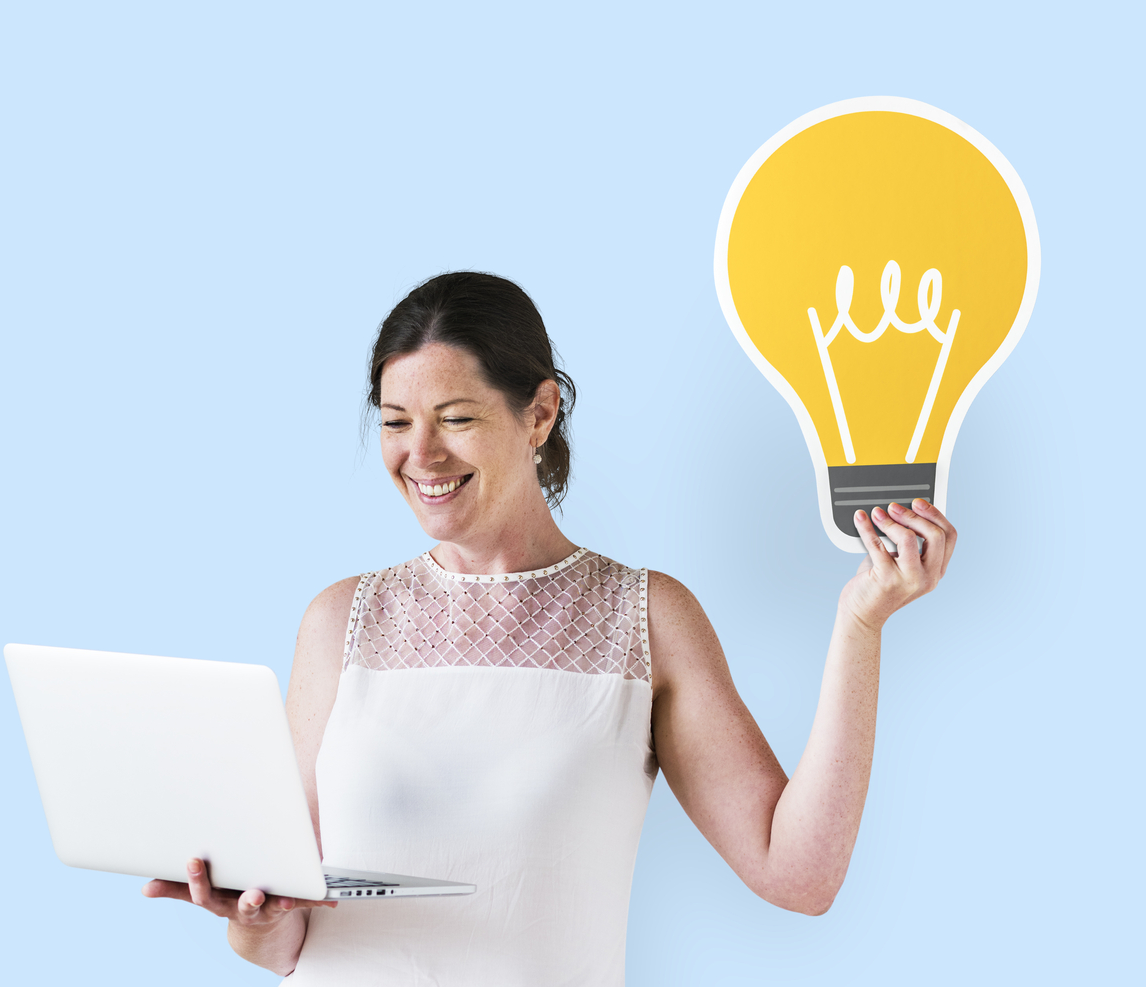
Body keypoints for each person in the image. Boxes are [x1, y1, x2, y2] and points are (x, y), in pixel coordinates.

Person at [143, 271, 956, 984]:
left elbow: (799, 874)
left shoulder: (645, 618)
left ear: (539, 413)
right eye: (394, 421)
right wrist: (251, 918)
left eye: (454, 417)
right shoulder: (339, 622)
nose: (419, 453)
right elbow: (287, 940)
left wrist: (861, 623)